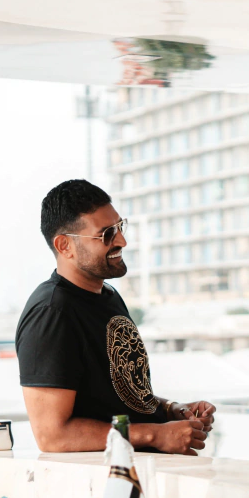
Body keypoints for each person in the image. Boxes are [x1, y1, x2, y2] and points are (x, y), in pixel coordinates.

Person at [16, 180, 215, 454]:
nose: (122, 240)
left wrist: (172, 410)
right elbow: (53, 436)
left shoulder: (107, 295)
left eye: (120, 227)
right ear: (64, 246)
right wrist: (155, 435)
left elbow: (123, 394)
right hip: (107, 487)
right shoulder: (51, 313)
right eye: (106, 234)